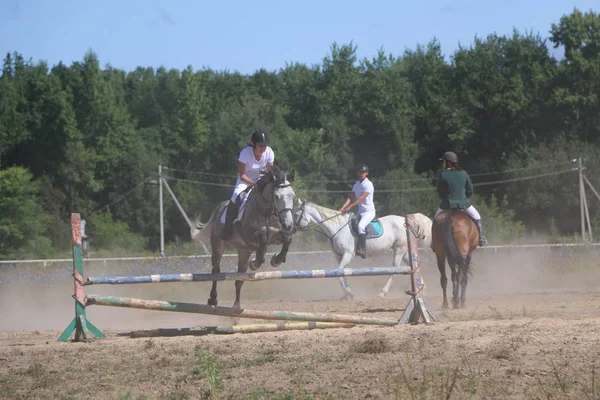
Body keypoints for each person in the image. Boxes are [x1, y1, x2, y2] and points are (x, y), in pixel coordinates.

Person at [221, 130, 275, 240]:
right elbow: (242, 175)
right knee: (236, 196)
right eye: (260, 145)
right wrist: (254, 184)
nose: (263, 148)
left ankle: (279, 224)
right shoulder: (245, 153)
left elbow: (270, 171)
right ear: (253, 144)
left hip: (262, 180)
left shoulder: (269, 152)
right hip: (245, 180)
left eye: (264, 145)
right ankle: (227, 227)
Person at [435, 151, 488, 246]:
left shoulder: (443, 175)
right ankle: (480, 237)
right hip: (463, 204)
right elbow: (470, 190)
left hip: (447, 205)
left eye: (443, 162)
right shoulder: (464, 174)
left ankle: (434, 241)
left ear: (448, 163)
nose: (442, 164)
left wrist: (446, 198)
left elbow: (440, 192)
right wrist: (464, 198)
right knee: (477, 217)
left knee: (435, 220)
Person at [339, 164, 375, 258]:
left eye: (363, 172)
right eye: (360, 172)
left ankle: (362, 249)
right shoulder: (356, 184)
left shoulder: (369, 184)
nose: (362, 174)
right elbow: (351, 197)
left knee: (360, 226)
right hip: (360, 212)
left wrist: (350, 207)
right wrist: (342, 207)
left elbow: (361, 198)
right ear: (358, 173)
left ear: (366, 173)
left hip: (369, 212)